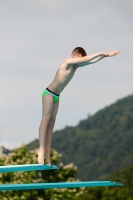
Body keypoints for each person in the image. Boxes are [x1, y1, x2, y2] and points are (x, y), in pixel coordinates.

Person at [38, 47, 120, 164]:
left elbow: (90, 61)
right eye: (78, 60)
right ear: (73, 56)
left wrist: (106, 56)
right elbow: (86, 59)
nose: (79, 63)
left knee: (51, 124)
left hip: (57, 96)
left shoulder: (75, 66)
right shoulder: (66, 62)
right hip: (49, 93)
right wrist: (101, 52)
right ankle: (40, 151)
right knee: (45, 120)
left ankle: (47, 154)